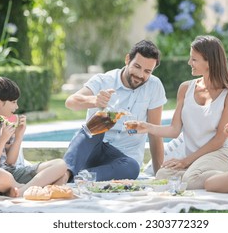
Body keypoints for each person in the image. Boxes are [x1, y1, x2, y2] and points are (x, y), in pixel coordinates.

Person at [125, 35, 228, 189]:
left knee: (190, 178)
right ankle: (209, 179)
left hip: (220, 154)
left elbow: (220, 139)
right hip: (195, 160)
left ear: (209, 62)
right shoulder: (186, 88)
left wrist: (186, 161)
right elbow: (174, 129)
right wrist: (146, 127)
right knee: (162, 174)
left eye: (194, 59)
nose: (189, 63)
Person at [63, 39, 167, 182]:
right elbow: (71, 102)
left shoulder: (154, 86)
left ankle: (82, 177)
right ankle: (65, 174)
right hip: (94, 150)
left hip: (121, 161)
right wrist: (94, 100)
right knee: (95, 127)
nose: (140, 75)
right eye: (137, 66)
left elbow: (155, 134)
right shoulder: (103, 80)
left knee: (132, 168)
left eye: (147, 71)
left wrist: (159, 177)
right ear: (127, 59)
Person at [0, 77, 69, 197]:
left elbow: (10, 162)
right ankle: (30, 189)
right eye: (13, 102)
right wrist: (2, 139)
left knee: (60, 165)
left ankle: (20, 190)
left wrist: (19, 136)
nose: (17, 107)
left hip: (9, 172)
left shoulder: (4, 124)